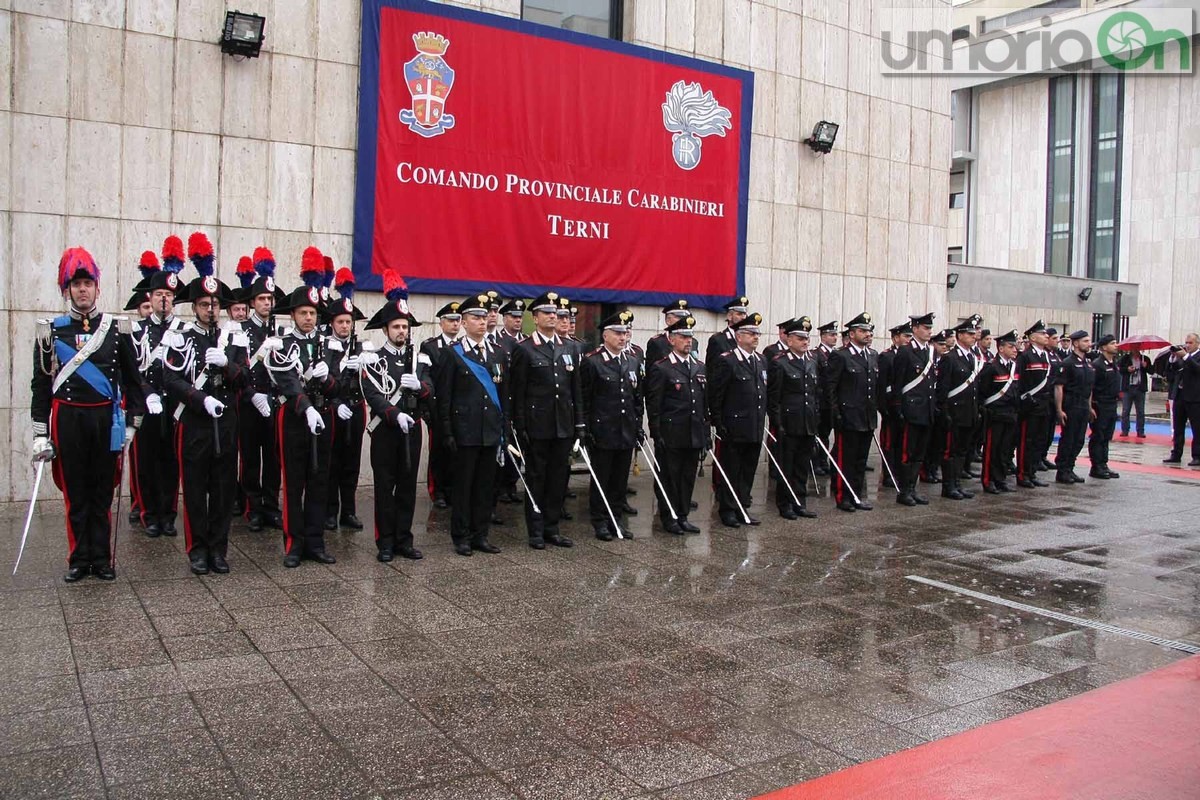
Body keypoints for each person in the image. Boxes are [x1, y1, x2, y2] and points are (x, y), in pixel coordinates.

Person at [30, 247, 150, 582]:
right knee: (75, 493)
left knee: (101, 491)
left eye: (88, 283)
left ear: (98, 288)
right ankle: (78, 559)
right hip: (68, 420)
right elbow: (40, 386)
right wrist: (41, 433)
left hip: (105, 422)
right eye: (76, 284)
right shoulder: (50, 332)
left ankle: (102, 558)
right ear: (66, 290)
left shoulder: (115, 329)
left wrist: (132, 423)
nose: (83, 290)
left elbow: (133, 381)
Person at [160, 235, 248, 574]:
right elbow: (171, 380)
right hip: (195, 421)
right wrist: (199, 399)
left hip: (225, 421)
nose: (210, 310)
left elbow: (244, 379)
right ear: (194, 306)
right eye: (203, 304)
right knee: (195, 489)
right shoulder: (179, 336)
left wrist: (227, 363)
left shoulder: (233, 337)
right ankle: (197, 550)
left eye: (214, 304)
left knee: (224, 489)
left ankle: (218, 548)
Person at [265, 251, 341, 567]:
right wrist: (306, 407)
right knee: (294, 482)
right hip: (295, 418)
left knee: (320, 480)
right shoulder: (280, 344)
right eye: (303, 312)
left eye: (312, 312)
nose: (309, 317)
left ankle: (315, 542)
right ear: (293, 315)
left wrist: (328, 381)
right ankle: (294, 544)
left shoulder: (329, 344)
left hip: (323, 417)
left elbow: (341, 386)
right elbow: (287, 382)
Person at [360, 272, 430, 561]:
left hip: (412, 430)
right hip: (386, 431)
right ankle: (385, 542)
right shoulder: (373, 359)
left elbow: (431, 389)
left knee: (407, 487)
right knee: (384, 487)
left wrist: (422, 387)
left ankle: (404, 539)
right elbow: (372, 394)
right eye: (396, 326)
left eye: (405, 326)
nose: (401, 331)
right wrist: (393, 414)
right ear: (386, 330)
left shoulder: (419, 358)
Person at [437, 293, 508, 556]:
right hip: (464, 432)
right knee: (463, 487)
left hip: (490, 431)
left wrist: (506, 431)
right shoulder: (453, 354)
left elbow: (504, 396)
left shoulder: (498, 353)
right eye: (475, 317)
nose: (482, 321)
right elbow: (444, 396)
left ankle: (481, 534)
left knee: (485, 487)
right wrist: (446, 431)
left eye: (485, 316)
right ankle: (461, 536)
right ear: (464, 322)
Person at [509, 291, 582, 549]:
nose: (553, 317)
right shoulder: (524, 349)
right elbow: (517, 392)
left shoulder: (569, 347)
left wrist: (579, 424)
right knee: (537, 478)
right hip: (536, 425)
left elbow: (576, 390)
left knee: (558, 479)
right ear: (536, 317)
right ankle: (536, 530)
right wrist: (519, 425)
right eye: (548, 313)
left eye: (556, 314)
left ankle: (553, 527)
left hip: (563, 424)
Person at [132, 236, 187, 538]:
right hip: (147, 403)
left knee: (171, 460)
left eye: (169, 294)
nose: (164, 299)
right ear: (150, 298)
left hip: (175, 405)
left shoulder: (183, 331)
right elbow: (131, 371)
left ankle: (168, 513)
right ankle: (149, 513)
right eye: (159, 294)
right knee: (147, 461)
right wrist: (146, 392)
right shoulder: (137, 330)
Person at [580, 311, 644, 541]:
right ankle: (600, 521)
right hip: (602, 430)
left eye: (625, 333)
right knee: (602, 479)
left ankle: (616, 519)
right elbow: (585, 398)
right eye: (617, 333)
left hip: (625, 429)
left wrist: (638, 425)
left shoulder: (632, 361)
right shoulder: (592, 361)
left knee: (619, 481)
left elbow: (636, 397)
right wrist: (585, 428)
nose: (622, 337)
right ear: (605, 335)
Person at [236, 248, 286, 532]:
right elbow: (237, 367)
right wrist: (251, 393)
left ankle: (270, 505)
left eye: (270, 298)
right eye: (262, 299)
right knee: (251, 457)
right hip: (249, 401)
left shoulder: (278, 331)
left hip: (274, 401)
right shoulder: (240, 330)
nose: (267, 303)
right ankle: (252, 507)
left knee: (274, 456)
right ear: (252, 302)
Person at [645, 315, 707, 535]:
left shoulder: (699, 367)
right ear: (671, 340)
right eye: (682, 337)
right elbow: (654, 404)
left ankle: (682, 516)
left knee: (687, 477)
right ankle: (668, 517)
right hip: (671, 432)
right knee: (669, 477)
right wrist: (656, 432)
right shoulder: (661, 368)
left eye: (690, 337)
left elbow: (703, 404)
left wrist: (705, 432)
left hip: (693, 432)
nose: (688, 341)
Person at [707, 312, 768, 527]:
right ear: (739, 336)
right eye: (751, 334)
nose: (755, 337)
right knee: (731, 470)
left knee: (747, 470)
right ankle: (728, 509)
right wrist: (717, 421)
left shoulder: (760, 360)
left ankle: (742, 507)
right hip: (733, 426)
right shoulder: (728, 361)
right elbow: (716, 394)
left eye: (757, 334)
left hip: (754, 425)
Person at [323, 269, 367, 532]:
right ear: (332, 323)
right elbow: (323, 378)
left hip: (356, 407)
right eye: (340, 322)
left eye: (348, 322)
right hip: (332, 408)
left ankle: (348, 511)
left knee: (352, 463)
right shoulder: (325, 346)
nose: (345, 327)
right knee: (333, 462)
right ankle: (330, 511)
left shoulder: (360, 347)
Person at [767, 316, 819, 519]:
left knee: (802, 466)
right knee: (786, 466)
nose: (805, 342)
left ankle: (800, 501)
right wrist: (777, 423)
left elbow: (814, 394)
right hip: (788, 423)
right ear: (789, 340)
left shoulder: (812, 362)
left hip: (807, 422)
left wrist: (816, 419)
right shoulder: (780, 363)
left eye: (806, 338)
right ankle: (785, 503)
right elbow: (774, 397)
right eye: (800, 338)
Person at [826, 313, 878, 512]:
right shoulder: (841, 356)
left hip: (866, 417)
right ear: (852, 333)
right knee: (845, 460)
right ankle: (842, 496)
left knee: (860, 461)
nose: (868, 334)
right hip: (848, 416)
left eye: (869, 331)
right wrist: (836, 414)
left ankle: (856, 495)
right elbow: (831, 388)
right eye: (863, 331)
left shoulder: (872, 355)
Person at [890, 313, 937, 506]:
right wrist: (898, 408)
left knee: (919, 454)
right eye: (925, 328)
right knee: (907, 453)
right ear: (915, 329)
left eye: (930, 328)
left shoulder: (930, 351)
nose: (929, 332)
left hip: (926, 410)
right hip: (911, 410)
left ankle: (913, 487)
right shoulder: (905, 352)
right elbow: (898, 383)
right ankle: (904, 491)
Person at [421, 301, 463, 508]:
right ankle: (437, 490)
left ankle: (453, 489)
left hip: (459, 410)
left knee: (456, 454)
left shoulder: (464, 346)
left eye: (458, 321)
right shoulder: (430, 346)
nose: (455, 325)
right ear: (441, 323)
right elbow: (427, 378)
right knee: (438, 452)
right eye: (451, 320)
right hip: (437, 409)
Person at [936, 317, 981, 500]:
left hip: (968, 412)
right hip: (954, 412)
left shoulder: (972, 358)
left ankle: (957, 483)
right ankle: (949, 486)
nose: (973, 337)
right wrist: (945, 411)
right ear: (960, 335)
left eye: (973, 334)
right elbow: (943, 389)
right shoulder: (950, 358)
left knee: (962, 450)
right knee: (951, 450)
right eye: (969, 334)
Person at [978, 329, 1019, 493]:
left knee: (1004, 449)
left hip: (1010, 413)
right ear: (1001, 348)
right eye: (1011, 346)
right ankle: (988, 480)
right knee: (992, 449)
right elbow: (982, 392)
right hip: (995, 414)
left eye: (1015, 346)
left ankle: (1000, 479)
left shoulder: (1013, 367)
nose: (1015, 349)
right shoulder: (992, 367)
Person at [1053, 331, 1096, 484]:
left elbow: (1089, 387)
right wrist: (1059, 409)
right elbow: (1059, 387)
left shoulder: (1088, 363)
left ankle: (1070, 468)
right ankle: (1062, 470)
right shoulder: (1068, 363)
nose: (1088, 344)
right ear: (1076, 343)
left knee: (1079, 440)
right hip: (1071, 404)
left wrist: (1090, 407)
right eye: (1085, 341)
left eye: (1089, 341)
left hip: (1083, 405)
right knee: (1069, 439)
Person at [1015, 321, 1054, 488]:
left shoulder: (1045, 355)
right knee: (1026, 441)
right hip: (1030, 406)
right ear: (1032, 337)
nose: (1046, 336)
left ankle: (1032, 472)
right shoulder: (1025, 356)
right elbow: (1019, 381)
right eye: (1042, 333)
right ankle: (1023, 474)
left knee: (1039, 440)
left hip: (1044, 405)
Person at [876, 320, 912, 492]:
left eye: (910, 336)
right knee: (889, 443)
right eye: (906, 336)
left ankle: (898, 472)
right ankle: (888, 474)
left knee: (901, 443)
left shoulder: (910, 355)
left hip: (905, 406)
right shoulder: (886, 357)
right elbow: (881, 384)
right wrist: (883, 408)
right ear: (895, 338)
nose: (908, 340)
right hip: (890, 406)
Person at [1088, 334, 1122, 479]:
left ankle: (1103, 464)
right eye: (1113, 343)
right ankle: (1096, 466)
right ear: (1104, 347)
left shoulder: (1113, 363)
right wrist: (1090, 407)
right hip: (1100, 404)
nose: (1116, 345)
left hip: (1111, 404)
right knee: (1098, 435)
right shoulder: (1097, 365)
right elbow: (1091, 387)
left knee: (1107, 436)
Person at [1164, 334, 1200, 465]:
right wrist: (1173, 358)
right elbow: (1171, 373)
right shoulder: (1182, 357)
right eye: (1186, 342)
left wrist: (1185, 356)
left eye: (1190, 343)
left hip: (1195, 398)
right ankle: (1176, 453)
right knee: (1178, 427)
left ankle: (1197, 456)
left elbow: (1197, 369)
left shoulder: (1193, 357)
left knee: (1197, 428)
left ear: (1197, 343)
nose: (1187, 345)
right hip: (1180, 395)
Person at [812, 320, 839, 476]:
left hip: (830, 402)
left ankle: (823, 460)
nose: (834, 337)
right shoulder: (816, 354)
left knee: (826, 434)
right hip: (820, 401)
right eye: (831, 335)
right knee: (818, 434)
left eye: (835, 335)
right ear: (823, 336)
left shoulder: (837, 354)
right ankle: (816, 462)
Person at [645, 300, 691, 368]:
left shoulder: (693, 342)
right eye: (679, 317)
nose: (682, 321)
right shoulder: (657, 343)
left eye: (685, 318)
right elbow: (651, 372)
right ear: (668, 320)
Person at [705, 296, 749, 367]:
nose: (743, 317)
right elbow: (711, 370)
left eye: (744, 314)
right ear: (729, 316)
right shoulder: (718, 340)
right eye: (739, 314)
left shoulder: (747, 338)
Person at [1118, 350, 1151, 437]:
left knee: (1140, 411)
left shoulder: (1145, 358)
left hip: (1140, 388)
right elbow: (1119, 369)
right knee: (1125, 410)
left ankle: (1140, 431)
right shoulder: (1125, 359)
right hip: (1128, 388)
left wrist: (1145, 366)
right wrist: (1127, 369)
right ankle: (1125, 430)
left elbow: (1151, 371)